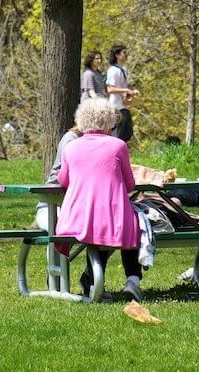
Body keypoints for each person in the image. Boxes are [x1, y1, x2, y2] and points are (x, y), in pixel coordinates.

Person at [56, 97, 144, 301]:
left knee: (97, 228)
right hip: (112, 218)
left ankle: (93, 282)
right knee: (137, 221)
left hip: (76, 218)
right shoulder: (117, 146)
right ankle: (132, 278)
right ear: (108, 122)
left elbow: (63, 180)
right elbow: (130, 184)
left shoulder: (71, 147)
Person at [33, 124, 81, 231]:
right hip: (53, 207)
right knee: (62, 227)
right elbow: (65, 178)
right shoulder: (71, 139)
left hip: (79, 210)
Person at [105, 44, 139, 142]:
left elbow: (126, 85)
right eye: (124, 52)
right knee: (118, 134)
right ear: (117, 55)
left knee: (128, 132)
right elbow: (110, 89)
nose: (126, 55)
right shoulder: (113, 70)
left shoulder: (124, 70)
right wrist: (126, 91)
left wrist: (131, 91)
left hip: (124, 106)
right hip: (116, 107)